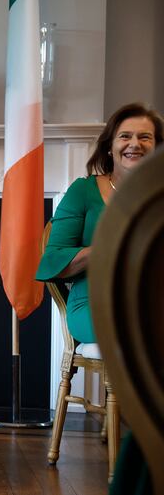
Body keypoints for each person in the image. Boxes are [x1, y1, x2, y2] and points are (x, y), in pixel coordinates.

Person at [37, 102, 162, 350]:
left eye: (145, 137)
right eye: (125, 136)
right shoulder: (83, 191)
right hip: (94, 302)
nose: (135, 144)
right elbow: (54, 260)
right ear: (109, 147)